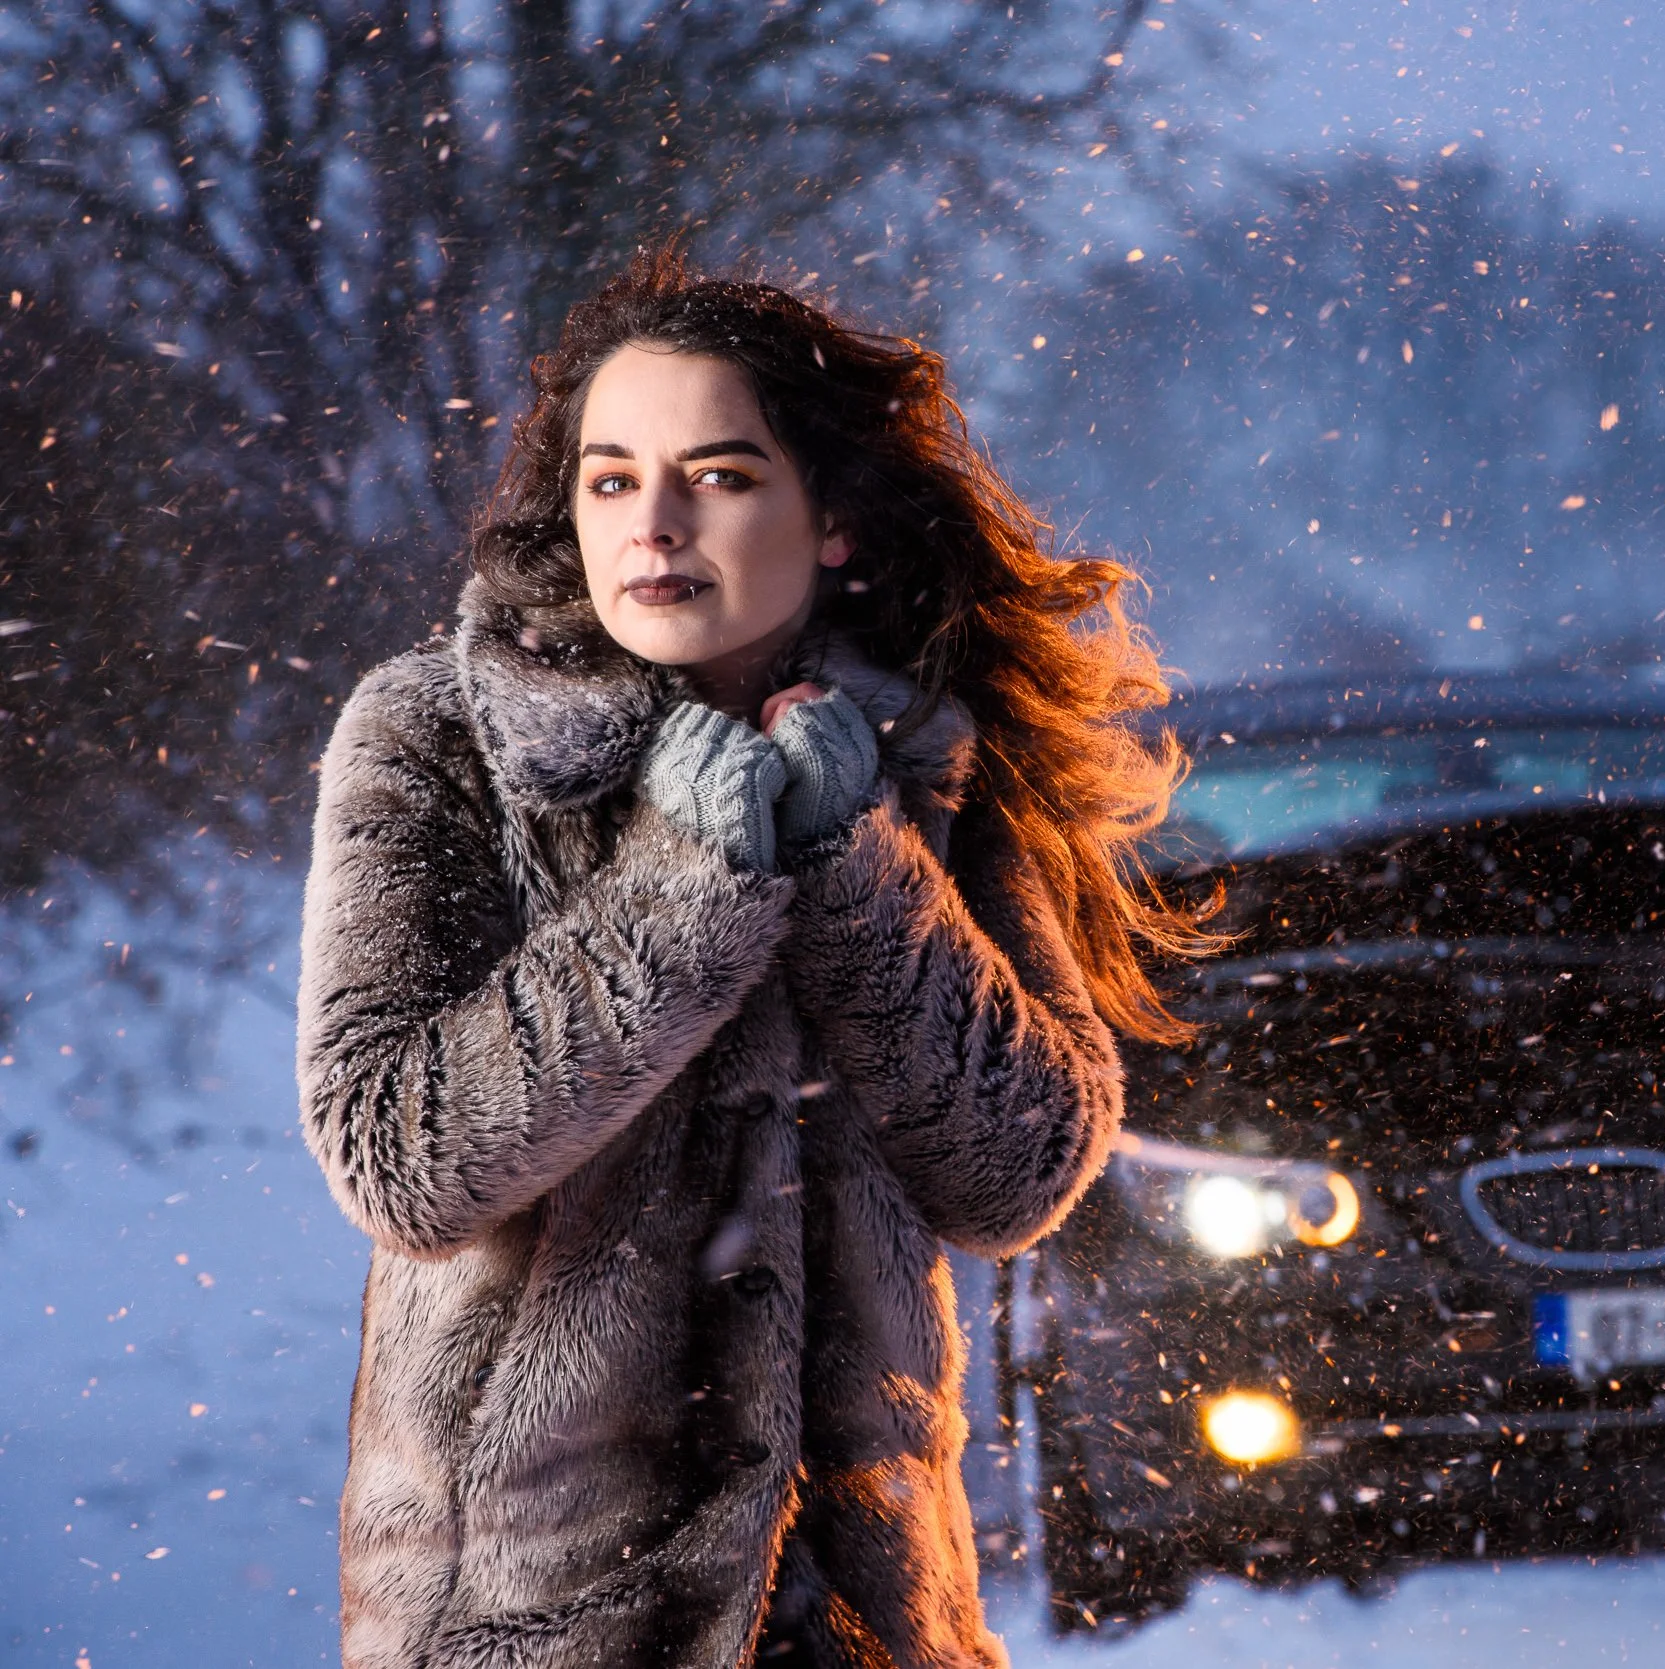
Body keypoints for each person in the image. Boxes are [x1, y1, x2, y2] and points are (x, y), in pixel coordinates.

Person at [296, 244, 1203, 1669]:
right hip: (523, 1626)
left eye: (716, 474)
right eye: (611, 478)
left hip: (865, 1615)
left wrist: (856, 862)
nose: (653, 523)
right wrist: (688, 883)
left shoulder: (919, 759)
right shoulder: (440, 739)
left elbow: (1020, 1169)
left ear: (831, 521)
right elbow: (399, 1157)